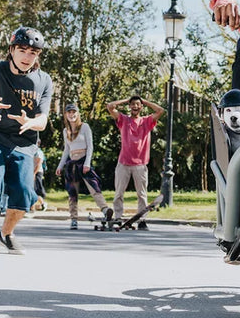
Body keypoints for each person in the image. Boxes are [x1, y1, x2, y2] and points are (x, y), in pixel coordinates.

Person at [0, 26, 52, 258]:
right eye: (22, 50)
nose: (27, 57)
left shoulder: (44, 80)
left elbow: (43, 120)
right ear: (12, 50)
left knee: (25, 193)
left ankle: (6, 233)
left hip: (24, 141)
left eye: (33, 52)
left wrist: (31, 123)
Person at [106, 95, 164, 230]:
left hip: (140, 164)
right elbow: (110, 106)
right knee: (119, 192)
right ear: (129, 106)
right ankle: (118, 217)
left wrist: (144, 101)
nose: (135, 106)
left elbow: (160, 110)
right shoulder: (123, 120)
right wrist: (126, 100)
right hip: (124, 162)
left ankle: (142, 220)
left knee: (142, 194)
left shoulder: (146, 121)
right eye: (132, 104)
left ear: (141, 107)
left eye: (138, 104)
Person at [55, 104, 113, 230]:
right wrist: (60, 166)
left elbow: (90, 146)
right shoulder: (66, 131)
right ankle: (74, 219)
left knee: (94, 187)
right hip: (72, 164)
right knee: (72, 193)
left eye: (74, 112)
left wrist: (87, 163)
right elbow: (66, 150)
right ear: (66, 115)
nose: (72, 115)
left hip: (83, 161)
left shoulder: (84, 127)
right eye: (69, 112)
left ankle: (105, 210)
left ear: (78, 113)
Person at [27, 139, 47, 217]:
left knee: (34, 190)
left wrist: (34, 174)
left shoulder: (38, 152)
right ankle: (34, 207)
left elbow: (38, 164)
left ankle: (37, 206)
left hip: (37, 172)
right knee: (32, 190)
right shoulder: (32, 151)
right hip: (33, 172)